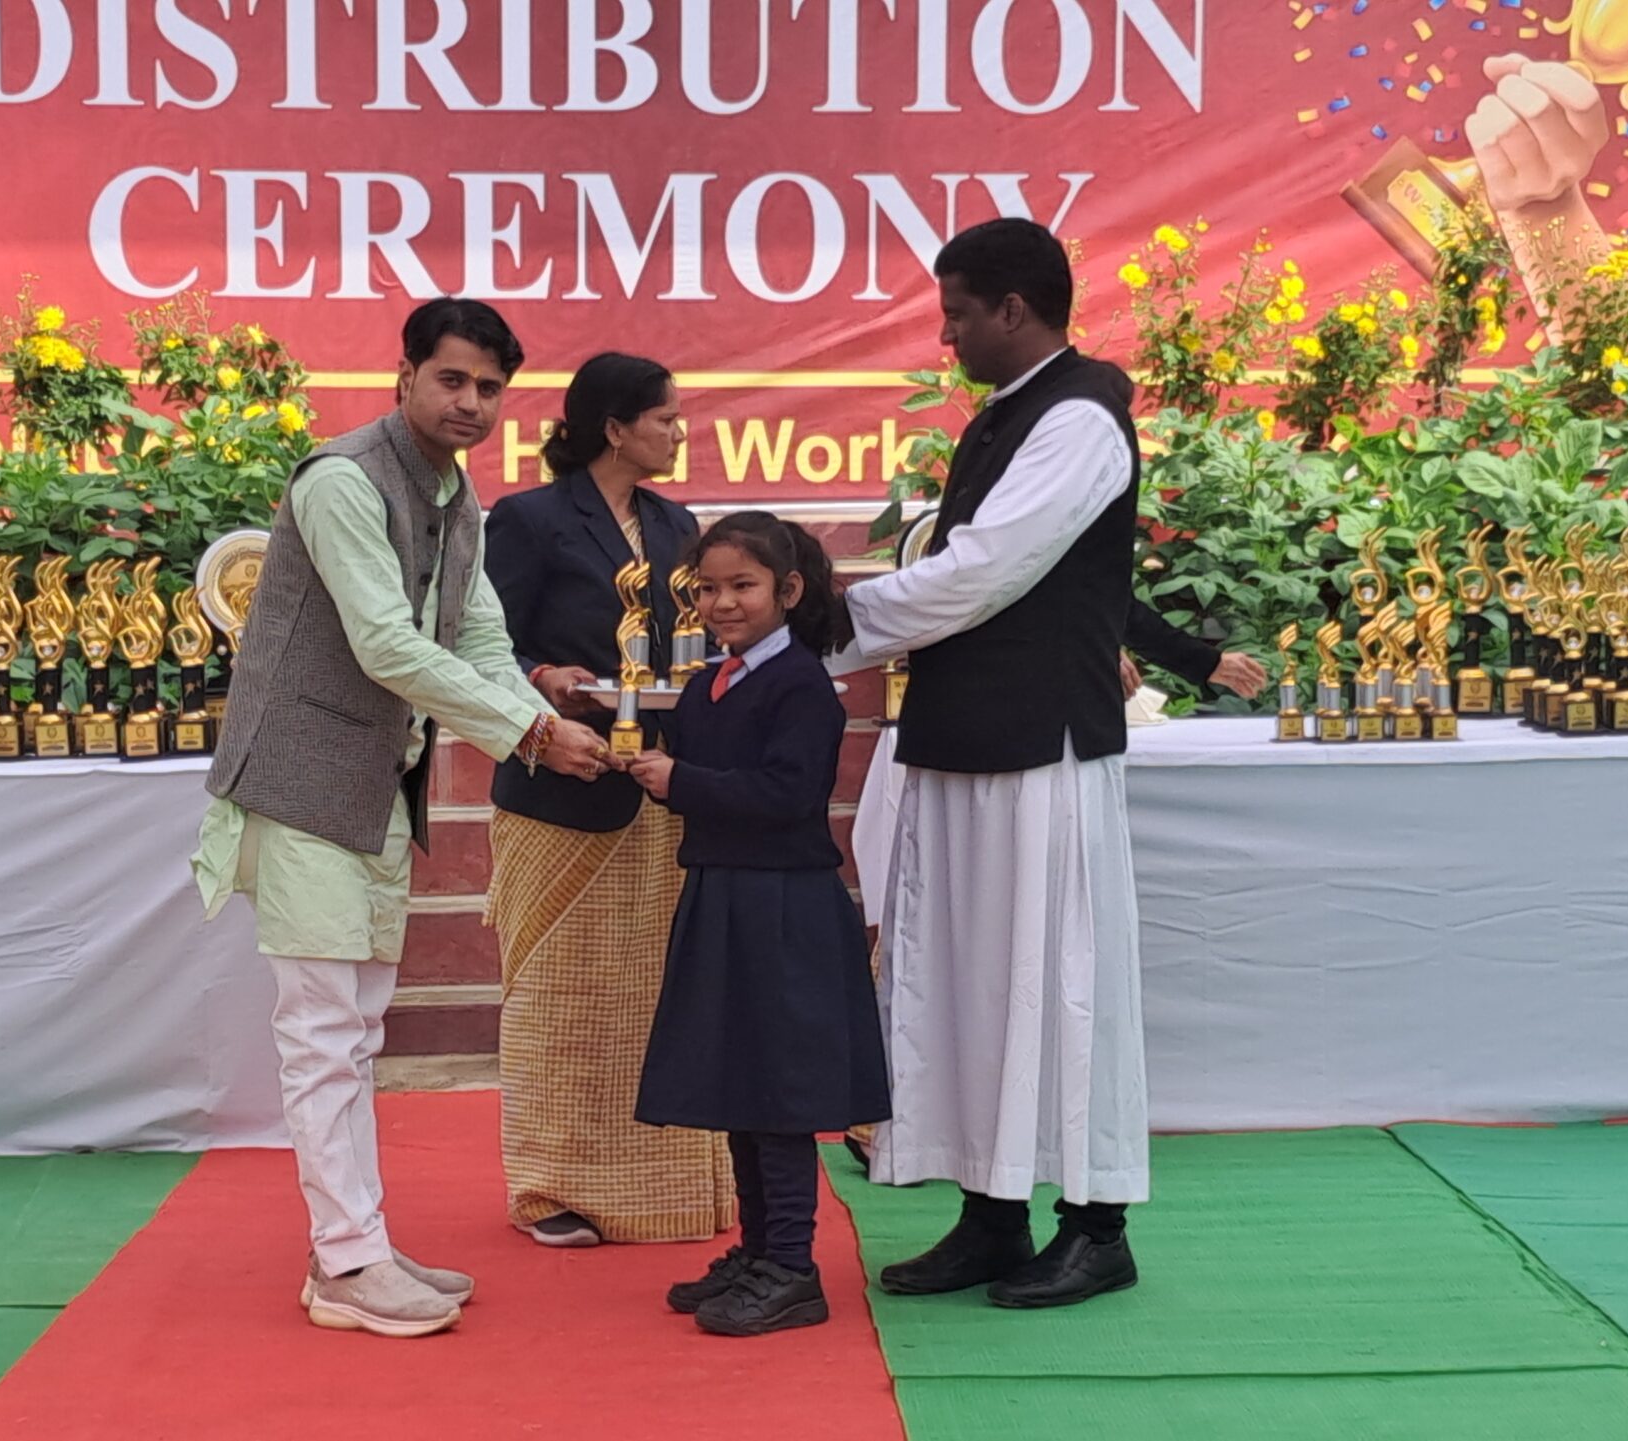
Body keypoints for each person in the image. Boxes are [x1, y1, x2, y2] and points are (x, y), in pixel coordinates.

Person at [191, 297, 609, 1339]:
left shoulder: (455, 497)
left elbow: (478, 637)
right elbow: (384, 644)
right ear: (405, 376)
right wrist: (529, 733)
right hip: (300, 784)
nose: (471, 403)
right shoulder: (341, 480)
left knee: (355, 1028)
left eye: (489, 388)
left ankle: (356, 1245)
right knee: (324, 1032)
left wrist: (538, 710)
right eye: (451, 379)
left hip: (376, 785)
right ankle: (346, 1261)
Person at [825, 217, 1162, 1310]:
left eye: (958, 313)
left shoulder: (1080, 417)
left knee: (1059, 983)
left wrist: (823, 625)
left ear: (1015, 309)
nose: (947, 335)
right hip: (966, 733)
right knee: (969, 980)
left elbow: (979, 572)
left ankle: (1098, 1225)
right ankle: (991, 1211)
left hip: (1040, 748)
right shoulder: (1008, 414)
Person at [481, 353, 735, 1248]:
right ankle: (550, 1184)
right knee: (558, 1001)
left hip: (659, 790)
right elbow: (481, 647)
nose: (678, 432)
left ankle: (663, 1183)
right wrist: (543, 680)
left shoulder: (678, 525)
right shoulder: (529, 520)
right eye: (665, 418)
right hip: (559, 789)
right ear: (616, 428)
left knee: (651, 996)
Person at [624, 511, 887, 1337]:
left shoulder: (803, 685)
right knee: (741, 1083)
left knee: (779, 1091)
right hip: (724, 896)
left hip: (783, 907)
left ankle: (794, 1265)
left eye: (743, 585)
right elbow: (700, 774)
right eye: (707, 588)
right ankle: (759, 1247)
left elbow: (786, 795)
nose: (723, 603)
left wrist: (680, 779)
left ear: (789, 589)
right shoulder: (712, 680)